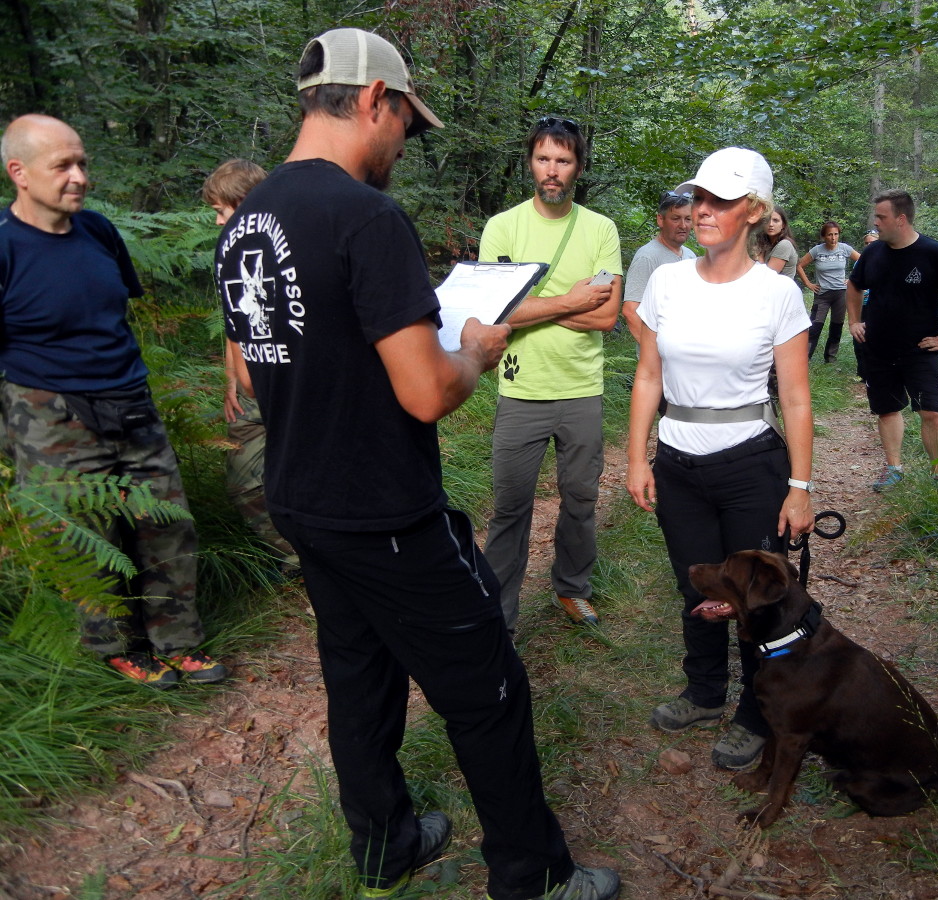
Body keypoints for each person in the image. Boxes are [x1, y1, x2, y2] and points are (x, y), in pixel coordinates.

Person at [213, 29, 618, 900]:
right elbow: (428, 393)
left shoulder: (246, 219)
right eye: (405, 120)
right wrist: (477, 346)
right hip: (386, 510)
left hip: (300, 498)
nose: (403, 141)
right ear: (372, 101)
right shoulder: (366, 216)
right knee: (491, 688)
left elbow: (286, 355)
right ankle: (534, 876)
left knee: (358, 680)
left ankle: (383, 848)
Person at [0, 114, 226, 688]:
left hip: (129, 399)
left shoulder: (98, 232)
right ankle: (117, 647)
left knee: (166, 521)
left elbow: (115, 314)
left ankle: (177, 640)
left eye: (83, 164)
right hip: (48, 412)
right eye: (63, 166)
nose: (79, 176)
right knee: (90, 534)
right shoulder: (4, 246)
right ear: (18, 173)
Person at [625, 147, 815, 772]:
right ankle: (704, 690)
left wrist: (800, 486)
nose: (702, 211)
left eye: (719, 202)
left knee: (758, 595)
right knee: (697, 584)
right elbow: (648, 375)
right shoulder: (666, 281)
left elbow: (793, 395)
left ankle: (758, 712)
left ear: (755, 212)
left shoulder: (778, 293)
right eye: (698, 199)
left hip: (749, 464)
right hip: (679, 461)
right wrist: (637, 457)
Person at [479, 117, 623, 630]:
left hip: (581, 390)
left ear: (578, 167)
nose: (552, 170)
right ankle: (499, 618)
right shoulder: (503, 226)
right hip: (521, 389)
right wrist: (573, 299)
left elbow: (607, 317)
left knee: (580, 499)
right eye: (544, 158)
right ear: (530, 163)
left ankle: (572, 586)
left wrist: (533, 304)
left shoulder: (600, 229)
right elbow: (495, 311)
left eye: (563, 160)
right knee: (510, 509)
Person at [201, 159, 299, 577]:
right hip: (248, 394)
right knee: (245, 483)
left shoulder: (287, 245)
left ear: (244, 204)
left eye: (222, 211)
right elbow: (234, 325)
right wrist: (230, 381)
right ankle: (298, 555)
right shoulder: (228, 254)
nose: (219, 221)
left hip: (288, 385)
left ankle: (322, 559)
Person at [846, 189, 938, 492]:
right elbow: (853, 286)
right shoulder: (873, 253)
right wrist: (854, 321)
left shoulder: (934, 253)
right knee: (887, 409)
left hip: (920, 350)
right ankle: (894, 469)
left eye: (881, 217)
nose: (876, 222)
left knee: (931, 411)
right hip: (878, 349)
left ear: (901, 219)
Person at [621, 190, 694, 346]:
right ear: (660, 220)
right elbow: (630, 311)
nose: (683, 225)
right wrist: (654, 353)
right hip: (661, 362)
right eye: (676, 219)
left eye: (688, 219)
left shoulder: (690, 256)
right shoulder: (647, 257)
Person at [797, 221, 860, 363]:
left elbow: (863, 260)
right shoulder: (817, 250)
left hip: (840, 294)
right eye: (830, 235)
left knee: (837, 325)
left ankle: (831, 358)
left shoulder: (845, 249)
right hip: (822, 294)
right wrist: (808, 284)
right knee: (815, 326)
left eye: (836, 234)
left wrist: (851, 279)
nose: (833, 238)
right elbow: (799, 265)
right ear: (824, 236)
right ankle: (804, 357)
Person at [851, 229, 879, 380]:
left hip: (877, 306)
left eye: (872, 243)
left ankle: (875, 370)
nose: (869, 245)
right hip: (861, 305)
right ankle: (862, 371)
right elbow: (854, 284)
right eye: (866, 243)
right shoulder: (859, 262)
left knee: (875, 337)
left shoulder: (887, 259)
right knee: (859, 337)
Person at [754, 207, 799, 280]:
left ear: (783, 225)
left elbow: (767, 277)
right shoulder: (767, 244)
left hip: (780, 290)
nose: (770, 224)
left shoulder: (784, 245)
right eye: (767, 220)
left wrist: (760, 257)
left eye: (776, 220)